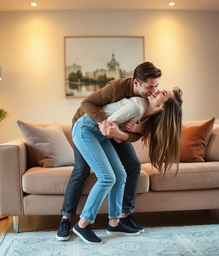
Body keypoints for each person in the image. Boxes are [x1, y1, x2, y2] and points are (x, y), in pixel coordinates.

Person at [56, 62, 162, 241]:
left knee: (126, 170)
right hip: (89, 125)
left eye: (156, 86)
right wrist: (107, 125)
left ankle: (118, 220)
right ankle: (70, 219)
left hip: (108, 131)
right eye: (149, 86)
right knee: (84, 171)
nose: (153, 90)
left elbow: (133, 135)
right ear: (136, 83)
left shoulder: (147, 103)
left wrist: (135, 130)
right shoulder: (116, 88)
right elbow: (87, 103)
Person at [71, 87, 183, 244]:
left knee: (121, 175)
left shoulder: (145, 114)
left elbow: (114, 130)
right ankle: (83, 224)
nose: (158, 90)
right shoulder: (137, 105)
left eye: (163, 93)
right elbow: (106, 127)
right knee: (107, 178)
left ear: (163, 107)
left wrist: (125, 132)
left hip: (98, 135)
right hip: (86, 130)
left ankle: (114, 223)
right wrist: (118, 134)